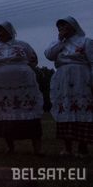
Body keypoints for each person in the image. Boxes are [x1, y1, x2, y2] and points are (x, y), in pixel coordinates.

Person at [0, 21, 43, 155]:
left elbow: (33, 60)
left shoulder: (23, 45)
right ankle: (10, 148)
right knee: (5, 114)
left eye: (1, 30)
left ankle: (37, 149)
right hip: (2, 87)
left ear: (9, 31)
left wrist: (21, 70)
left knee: (30, 112)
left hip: (24, 85)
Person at [44, 16, 93, 156]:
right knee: (65, 109)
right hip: (63, 79)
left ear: (73, 26)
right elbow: (49, 55)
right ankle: (67, 147)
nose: (61, 29)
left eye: (64, 26)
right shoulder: (58, 44)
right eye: (59, 27)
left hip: (81, 78)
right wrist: (60, 40)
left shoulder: (86, 42)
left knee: (82, 109)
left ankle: (83, 147)